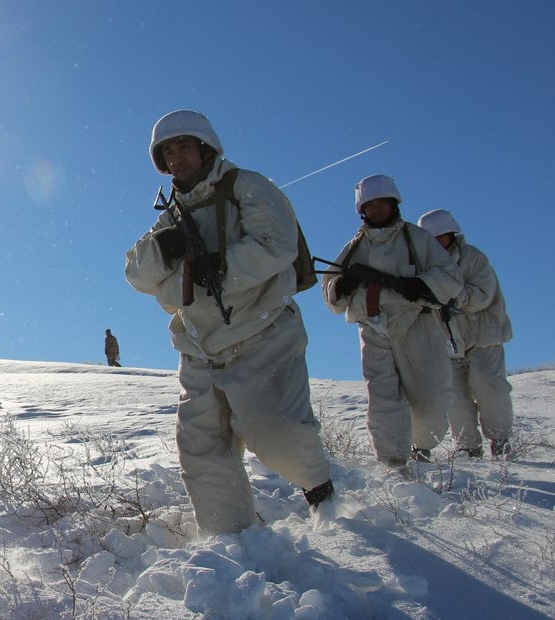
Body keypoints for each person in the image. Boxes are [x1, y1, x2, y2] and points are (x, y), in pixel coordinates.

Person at [124, 109, 334, 535]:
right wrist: (165, 250)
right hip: (199, 348)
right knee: (201, 449)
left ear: (205, 147)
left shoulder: (249, 187)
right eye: (168, 151)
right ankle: (231, 540)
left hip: (264, 333)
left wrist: (223, 266)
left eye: (183, 146)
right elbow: (138, 275)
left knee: (277, 437)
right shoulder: (171, 216)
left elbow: (278, 244)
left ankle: (323, 496)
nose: (176, 157)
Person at [320, 176, 463, 467]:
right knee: (383, 400)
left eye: (382, 203)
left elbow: (450, 277)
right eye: (370, 205)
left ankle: (422, 447)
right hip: (372, 327)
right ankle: (393, 462)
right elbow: (330, 289)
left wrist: (419, 286)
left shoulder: (418, 238)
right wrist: (343, 286)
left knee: (430, 399)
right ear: (362, 210)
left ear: (393, 204)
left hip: (416, 324)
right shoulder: (354, 247)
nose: (377, 210)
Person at [417, 209, 514, 459]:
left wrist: (451, 296)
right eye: (432, 240)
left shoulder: (473, 258)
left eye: (441, 237)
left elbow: (482, 294)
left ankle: (500, 441)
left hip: (483, 336)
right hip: (448, 342)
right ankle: (468, 447)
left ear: (451, 235)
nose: (437, 243)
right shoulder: (424, 266)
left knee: (489, 385)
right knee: (455, 397)